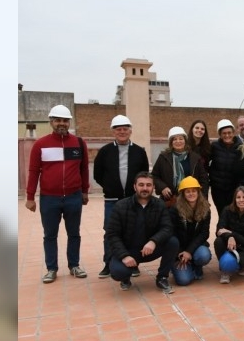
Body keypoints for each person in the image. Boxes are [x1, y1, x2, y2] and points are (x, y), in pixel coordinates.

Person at [25, 105, 90, 283]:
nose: (62, 123)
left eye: (65, 120)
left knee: (74, 233)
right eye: (58, 120)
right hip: (49, 198)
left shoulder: (78, 143)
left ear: (69, 122)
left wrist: (85, 191)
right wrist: (30, 197)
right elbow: (33, 171)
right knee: (50, 235)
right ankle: (51, 269)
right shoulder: (40, 144)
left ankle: (74, 265)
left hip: (73, 197)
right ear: (51, 122)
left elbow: (84, 169)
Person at [93, 114, 149, 278]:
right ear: (113, 132)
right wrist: (111, 187)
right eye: (119, 129)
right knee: (110, 231)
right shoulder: (105, 151)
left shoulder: (139, 151)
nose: (122, 132)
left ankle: (134, 263)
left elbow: (144, 174)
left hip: (134, 200)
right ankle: (109, 263)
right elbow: (98, 174)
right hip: (112, 200)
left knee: (135, 230)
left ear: (130, 131)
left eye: (125, 129)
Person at [106, 172, 177, 293]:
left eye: (148, 185)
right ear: (135, 187)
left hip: (149, 249)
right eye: (141, 185)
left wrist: (154, 241)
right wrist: (124, 255)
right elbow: (112, 235)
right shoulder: (121, 206)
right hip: (129, 251)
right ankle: (125, 277)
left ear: (153, 187)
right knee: (118, 272)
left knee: (173, 242)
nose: (145, 188)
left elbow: (167, 228)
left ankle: (162, 277)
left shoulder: (159, 205)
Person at [169, 176, 212, 286]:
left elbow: (204, 233)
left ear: (198, 192)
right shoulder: (175, 209)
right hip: (179, 250)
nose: (191, 194)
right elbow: (171, 234)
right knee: (184, 280)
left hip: (196, 247)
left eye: (194, 191)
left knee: (204, 255)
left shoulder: (206, 209)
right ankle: (176, 266)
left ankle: (196, 266)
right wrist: (180, 253)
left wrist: (189, 251)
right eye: (187, 191)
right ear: (183, 194)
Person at [151, 126, 209, 206]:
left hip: (191, 199)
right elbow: (154, 176)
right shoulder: (163, 157)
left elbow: (204, 179)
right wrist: (162, 187)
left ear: (185, 141)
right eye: (174, 139)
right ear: (171, 142)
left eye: (181, 139)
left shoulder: (195, 158)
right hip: (170, 199)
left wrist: (202, 197)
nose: (178, 141)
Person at [214, 186, 244, 284]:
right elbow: (219, 231)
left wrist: (232, 234)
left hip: (243, 248)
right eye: (238, 197)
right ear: (234, 199)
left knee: (239, 262)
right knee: (218, 241)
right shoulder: (227, 210)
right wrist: (230, 237)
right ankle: (225, 271)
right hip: (227, 244)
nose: (241, 200)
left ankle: (242, 265)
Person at [209, 119, 242, 216]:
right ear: (220, 134)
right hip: (218, 189)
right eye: (224, 133)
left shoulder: (240, 147)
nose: (227, 135)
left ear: (233, 133)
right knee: (222, 214)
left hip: (234, 189)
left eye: (229, 133)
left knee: (233, 215)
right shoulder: (214, 146)